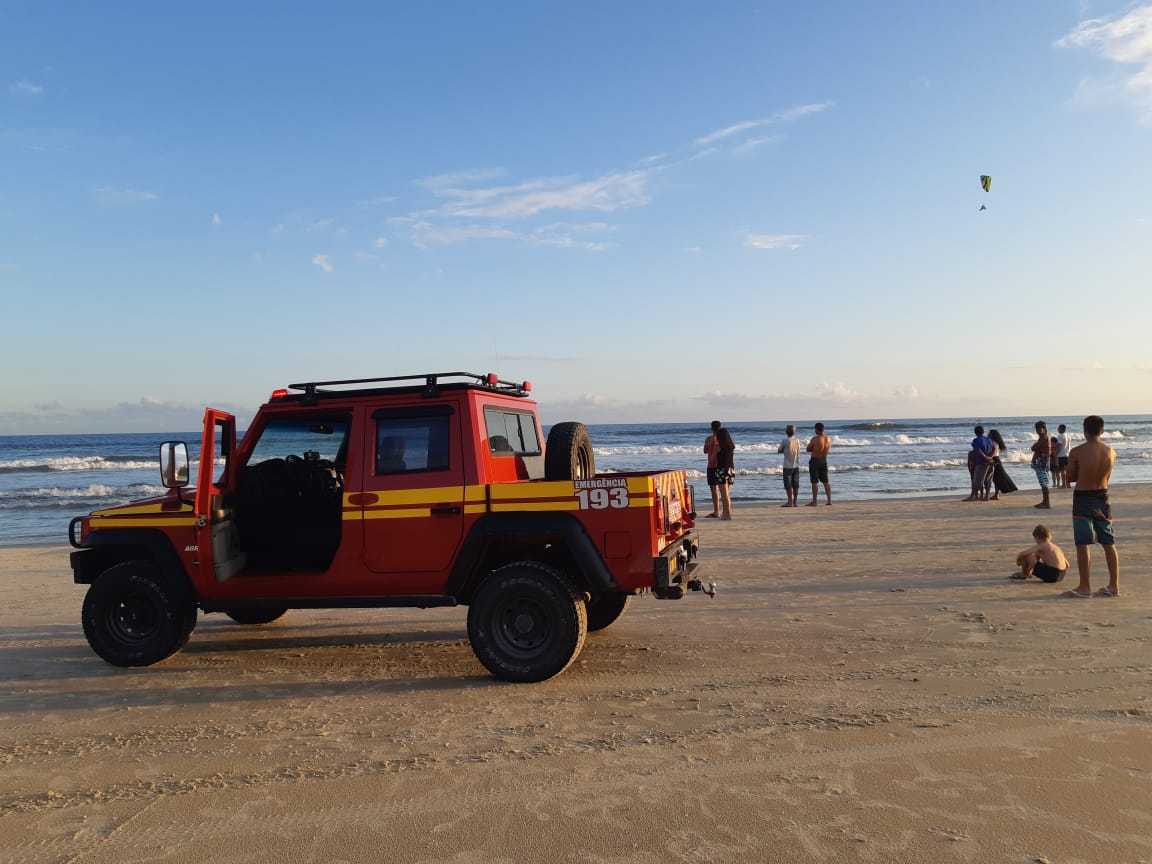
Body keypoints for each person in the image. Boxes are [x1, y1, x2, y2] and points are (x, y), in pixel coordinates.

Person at [1063, 415, 1120, 598]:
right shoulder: (1111, 452)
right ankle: (1113, 585)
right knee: (1108, 542)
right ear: (1102, 431)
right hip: (1102, 497)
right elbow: (1107, 477)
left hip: (1083, 498)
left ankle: (1085, 587)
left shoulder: (1077, 452)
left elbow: (1070, 477)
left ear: (1085, 431)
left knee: (1083, 543)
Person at [963, 425, 996, 502]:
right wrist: (990, 457)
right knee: (988, 479)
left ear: (975, 432)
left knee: (977, 480)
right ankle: (987, 496)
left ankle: (972, 496)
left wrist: (985, 457)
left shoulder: (976, 440)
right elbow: (994, 449)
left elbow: (978, 450)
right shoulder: (989, 440)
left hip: (982, 462)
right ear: (983, 432)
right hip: (990, 462)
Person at [986, 429, 1017, 500]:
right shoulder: (996, 442)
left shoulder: (993, 442)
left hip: (994, 459)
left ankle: (996, 495)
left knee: (996, 478)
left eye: (989, 434)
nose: (988, 435)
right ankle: (996, 495)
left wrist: (989, 457)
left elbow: (994, 451)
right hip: (996, 459)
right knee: (997, 478)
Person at [805, 422, 832, 506]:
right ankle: (829, 500)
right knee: (826, 481)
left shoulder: (815, 439)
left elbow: (808, 449)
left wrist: (814, 448)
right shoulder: (828, 438)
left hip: (815, 461)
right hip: (824, 460)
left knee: (814, 482)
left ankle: (814, 501)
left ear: (816, 429)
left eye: (815, 429)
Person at [714, 425, 736, 520]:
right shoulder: (731, 446)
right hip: (731, 470)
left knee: (724, 494)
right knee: (727, 494)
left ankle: (727, 514)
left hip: (721, 470)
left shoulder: (718, 447)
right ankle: (725, 513)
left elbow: (713, 459)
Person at [777, 424, 802, 507]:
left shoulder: (785, 441)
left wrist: (784, 449)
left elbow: (779, 450)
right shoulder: (797, 440)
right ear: (794, 431)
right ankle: (795, 502)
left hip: (787, 465)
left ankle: (789, 501)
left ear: (786, 431)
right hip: (796, 464)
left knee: (788, 484)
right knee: (795, 484)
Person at [1030, 421, 1052, 509]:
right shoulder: (1043, 438)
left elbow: (1034, 448)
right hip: (1043, 462)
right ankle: (1045, 501)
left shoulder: (1044, 438)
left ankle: (1046, 502)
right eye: (1037, 429)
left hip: (1042, 462)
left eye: (1039, 429)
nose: (1037, 431)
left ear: (1044, 429)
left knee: (1044, 482)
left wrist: (1035, 447)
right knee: (1043, 482)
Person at [703, 421, 722, 518]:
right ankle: (725, 510)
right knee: (723, 489)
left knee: (714, 490)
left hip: (711, 465)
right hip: (720, 465)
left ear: (711, 428)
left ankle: (716, 511)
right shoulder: (722, 439)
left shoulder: (709, 439)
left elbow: (705, 451)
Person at [1055, 424, 1073, 488]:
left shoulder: (1060, 436)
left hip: (1062, 455)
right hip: (1068, 454)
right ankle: (1068, 484)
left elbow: (1059, 446)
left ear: (1061, 429)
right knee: (1067, 470)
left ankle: (1063, 484)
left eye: (1058, 428)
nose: (1057, 429)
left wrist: (1056, 454)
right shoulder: (1068, 436)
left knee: (1062, 470)